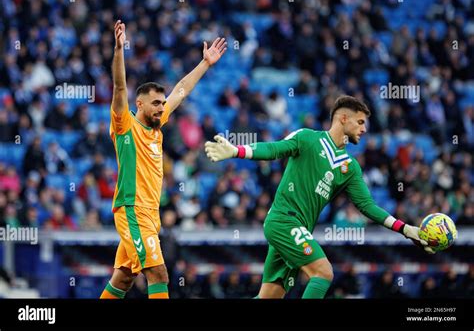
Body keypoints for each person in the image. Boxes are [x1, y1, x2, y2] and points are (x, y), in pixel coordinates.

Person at [204, 95, 434, 299]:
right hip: (284, 221)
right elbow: (273, 149)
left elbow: (367, 206)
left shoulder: (350, 167)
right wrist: (237, 151)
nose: (364, 129)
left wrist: (405, 229)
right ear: (343, 118)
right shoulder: (308, 138)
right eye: (361, 122)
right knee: (323, 272)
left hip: (299, 229)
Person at [100, 20, 227, 299]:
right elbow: (120, 89)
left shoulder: (157, 125)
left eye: (161, 103)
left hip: (150, 214)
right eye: (155, 103)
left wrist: (205, 63)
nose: (161, 107)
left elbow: (181, 90)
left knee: (123, 279)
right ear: (140, 105)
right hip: (132, 210)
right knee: (159, 274)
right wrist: (119, 49)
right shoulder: (125, 126)